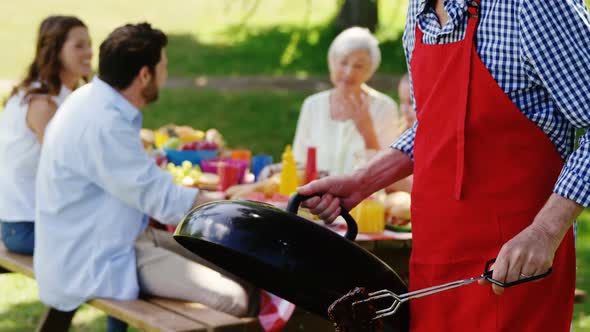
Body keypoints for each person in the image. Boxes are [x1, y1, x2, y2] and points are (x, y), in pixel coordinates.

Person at [299, 0, 590, 331]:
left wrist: (545, 232)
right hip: (433, 262)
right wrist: (362, 181)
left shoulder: (535, 6)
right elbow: (435, 124)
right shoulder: (418, 11)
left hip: (515, 264)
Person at [34, 23, 258, 332]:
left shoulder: (93, 99)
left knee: (243, 268)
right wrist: (232, 208)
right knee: (234, 299)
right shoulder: (104, 122)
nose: (165, 75)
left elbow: (141, 183)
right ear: (144, 75)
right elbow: (162, 200)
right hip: (97, 255)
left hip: (107, 238)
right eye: (163, 67)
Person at [0, 15, 92, 255]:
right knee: (118, 242)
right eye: (79, 46)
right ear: (55, 51)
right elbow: (69, 168)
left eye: (89, 44)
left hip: (44, 221)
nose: (90, 53)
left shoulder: (59, 95)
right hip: (25, 227)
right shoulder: (42, 103)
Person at [292, 27, 408, 177]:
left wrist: (367, 130)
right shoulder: (312, 105)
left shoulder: (384, 107)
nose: (349, 72)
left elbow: (388, 172)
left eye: (358, 66)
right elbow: (298, 162)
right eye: (343, 62)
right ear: (331, 63)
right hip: (315, 194)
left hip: (365, 198)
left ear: (370, 71)